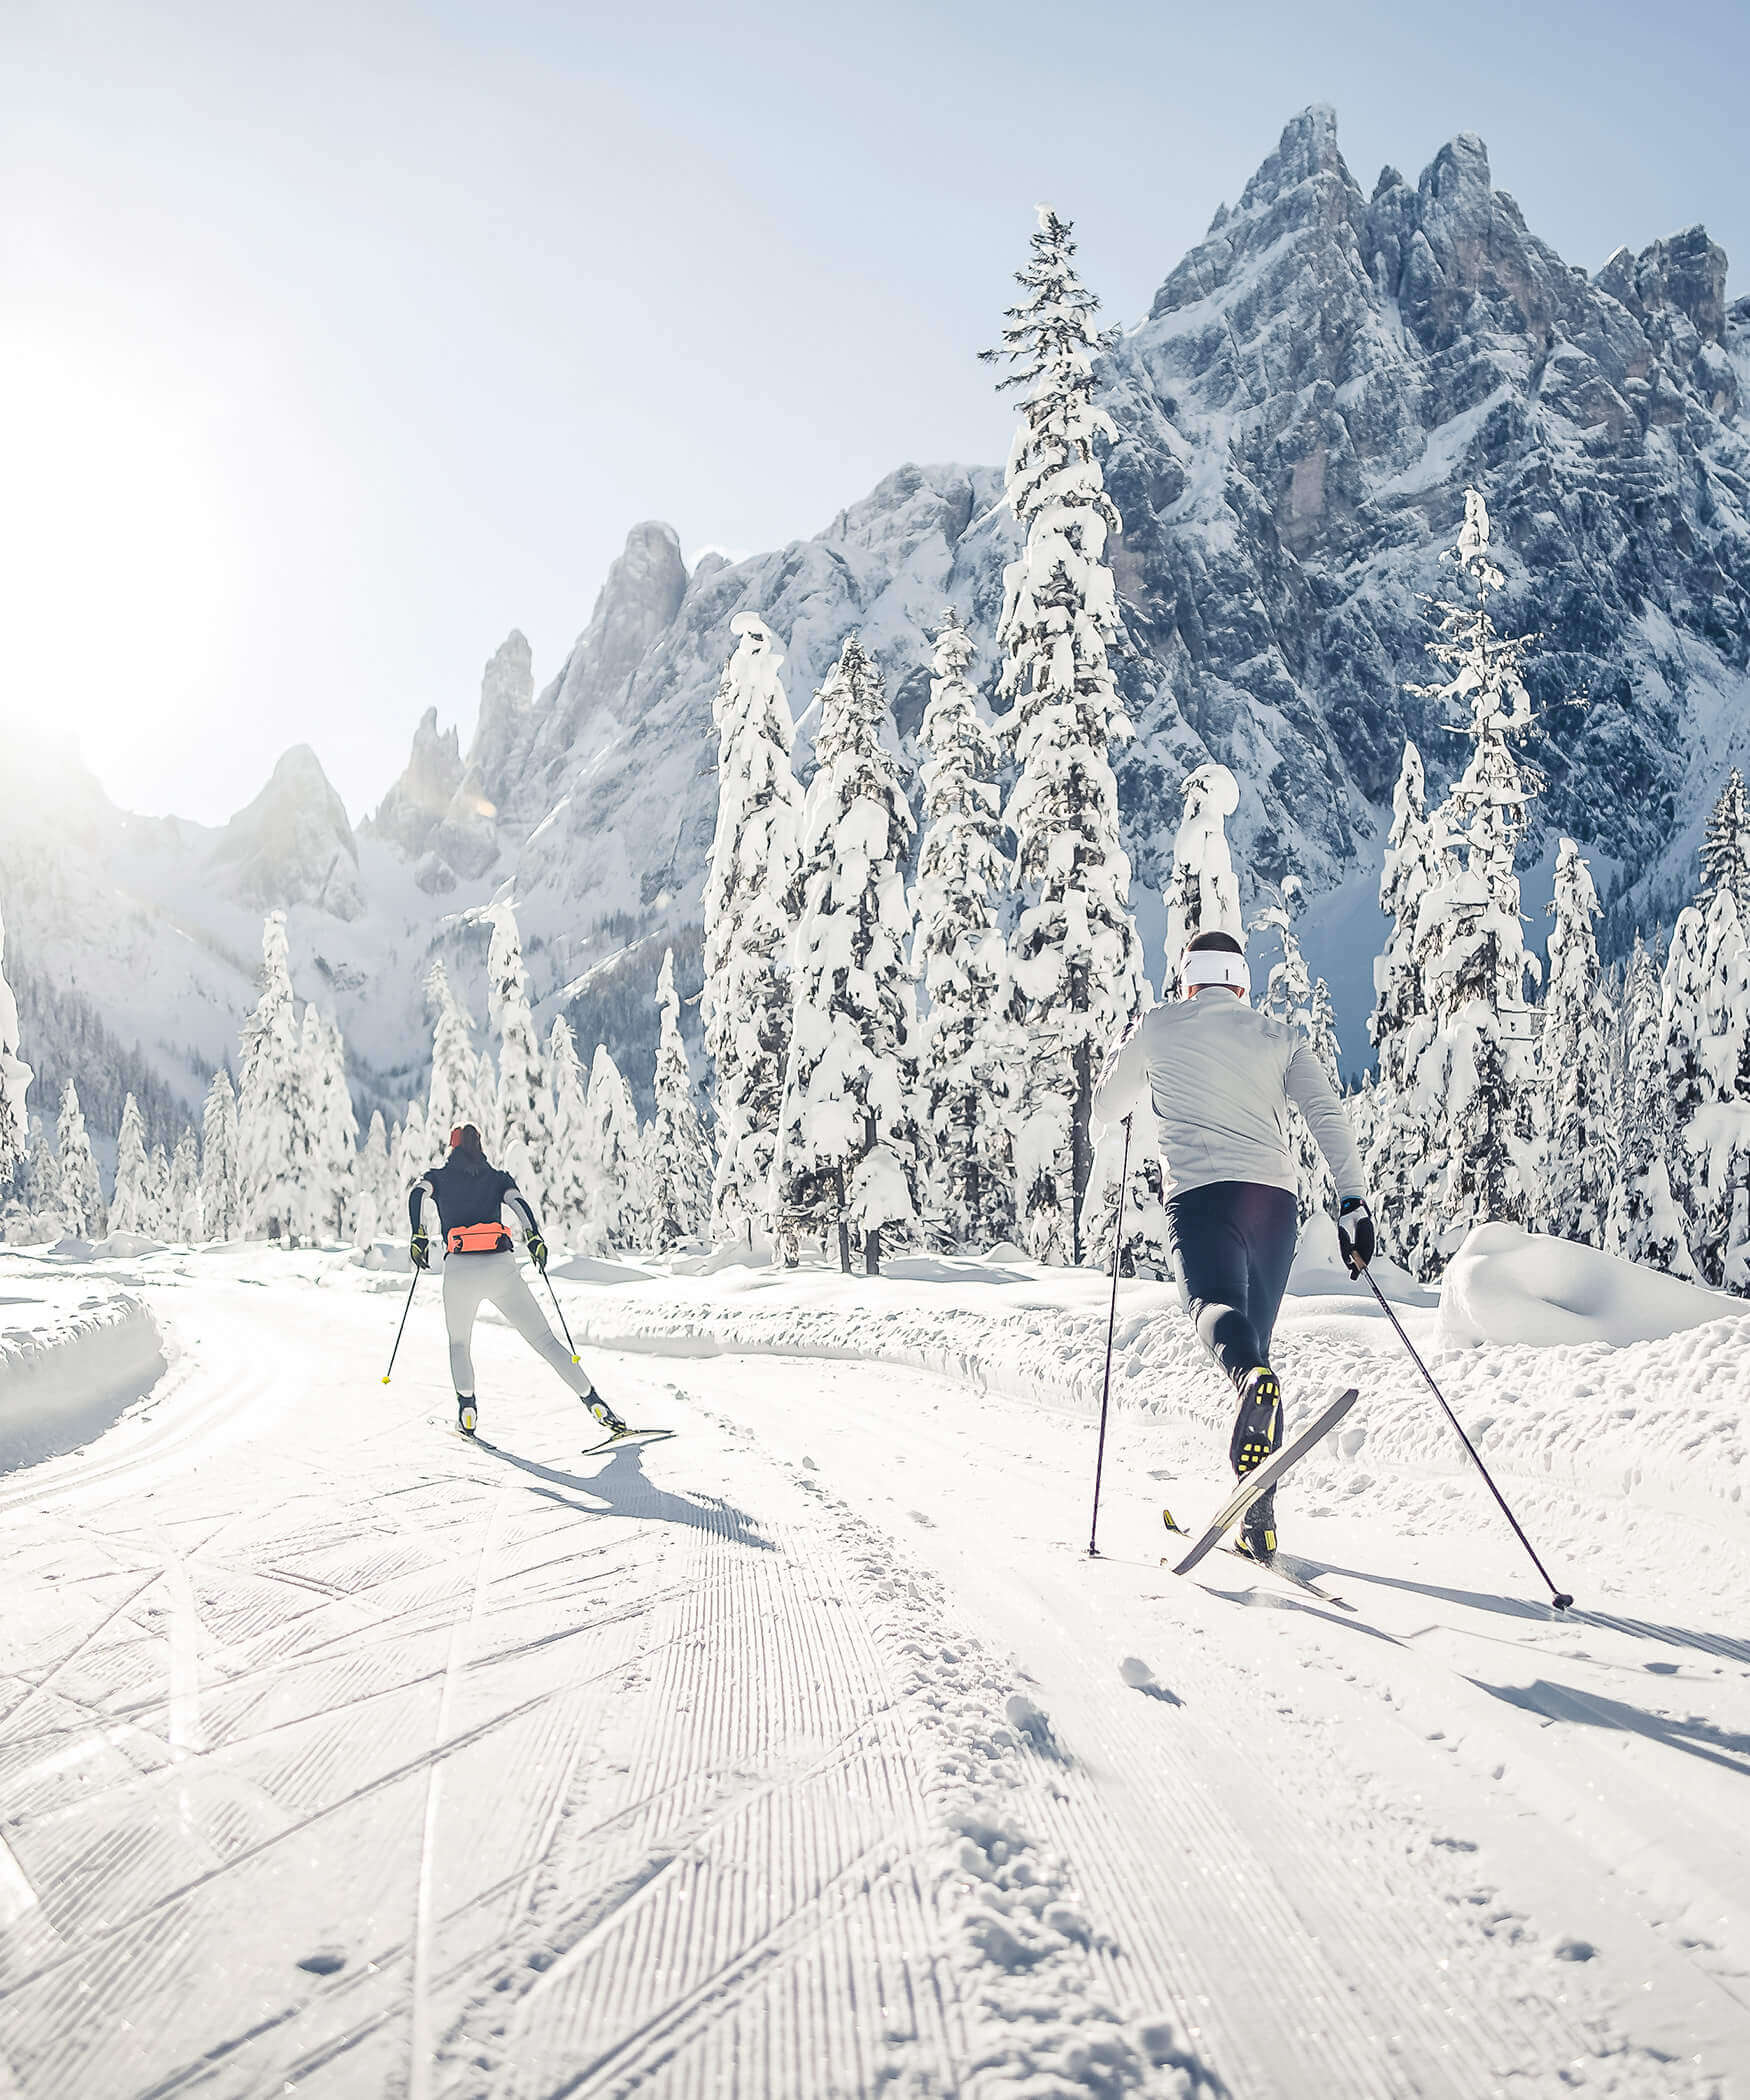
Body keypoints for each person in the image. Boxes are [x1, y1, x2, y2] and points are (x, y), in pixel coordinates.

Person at [1092, 929, 1374, 1560]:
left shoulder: (1160, 1026)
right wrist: (1352, 1199)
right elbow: (1327, 1114)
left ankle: (1249, 1387)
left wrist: (1131, 1052)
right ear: (1241, 983)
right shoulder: (1280, 1038)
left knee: (1214, 1313)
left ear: (1187, 978)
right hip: (1275, 1206)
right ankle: (1259, 1520)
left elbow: (1108, 1106)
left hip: (1199, 1199)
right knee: (1258, 1351)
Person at [407, 1124, 627, 1440]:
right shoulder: (499, 1179)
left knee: (459, 1343)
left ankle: (467, 1411)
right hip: (501, 1268)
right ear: (480, 1147)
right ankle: (594, 1402)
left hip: (458, 1270)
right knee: (546, 1341)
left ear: (451, 1148)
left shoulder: (437, 1177)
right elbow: (519, 1205)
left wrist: (418, 1234)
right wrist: (534, 1238)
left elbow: (417, 1194)